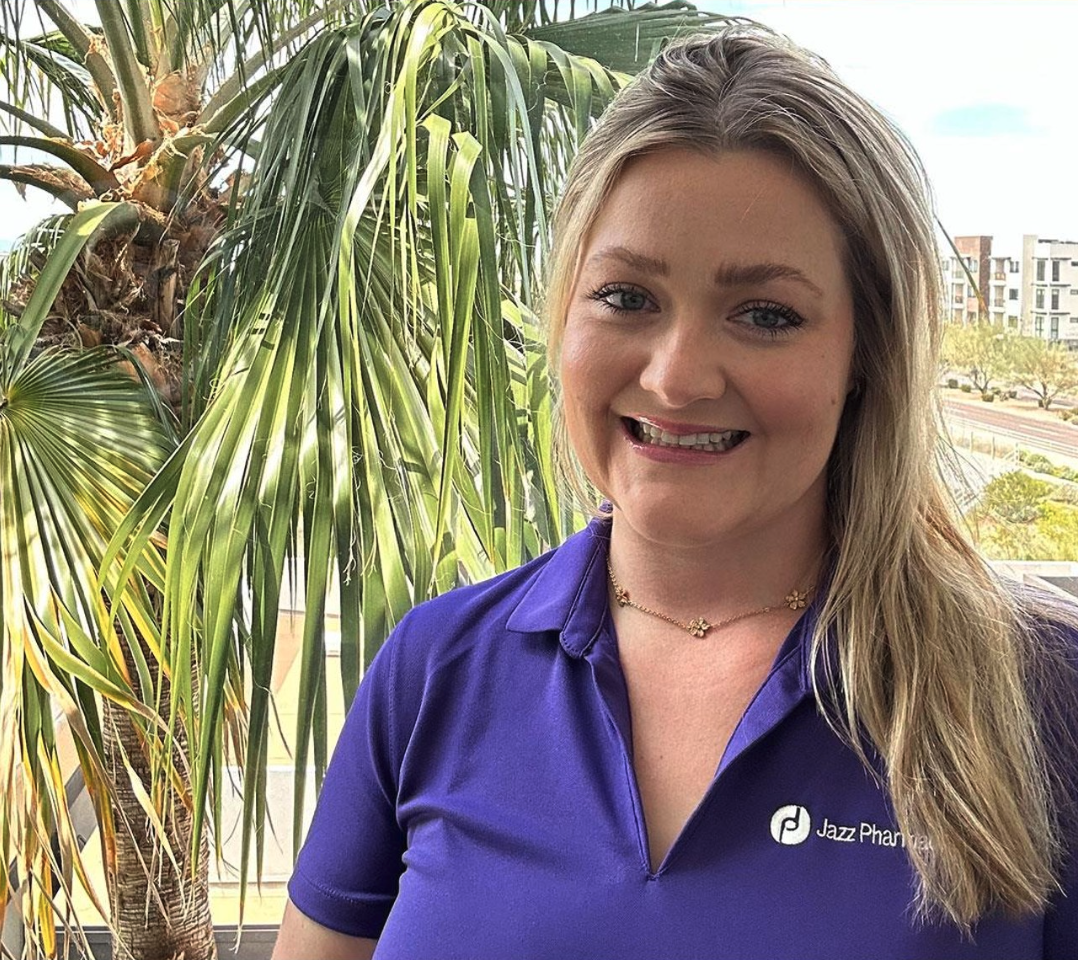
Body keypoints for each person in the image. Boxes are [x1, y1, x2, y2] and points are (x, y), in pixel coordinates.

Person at [272, 24, 1078, 959]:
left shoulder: (1037, 696)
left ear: (866, 357)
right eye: (627, 297)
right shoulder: (436, 670)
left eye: (766, 314)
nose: (677, 376)